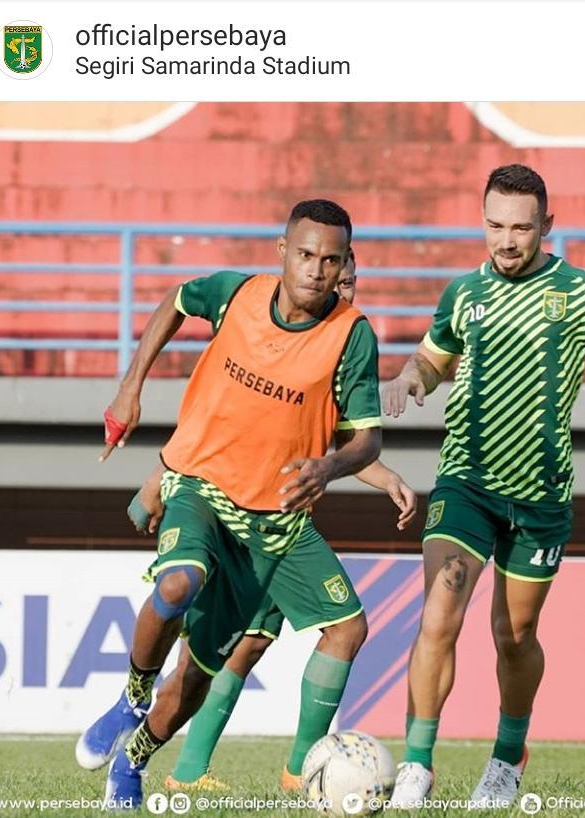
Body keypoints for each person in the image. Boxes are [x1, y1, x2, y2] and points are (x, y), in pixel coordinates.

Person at [75, 200, 384, 811]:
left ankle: (134, 760)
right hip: (202, 488)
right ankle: (133, 696)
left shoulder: (352, 336)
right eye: (305, 255)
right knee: (177, 585)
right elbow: (174, 301)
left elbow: (367, 437)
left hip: (275, 522)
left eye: (330, 260)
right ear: (282, 250)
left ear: (345, 263)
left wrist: (329, 466)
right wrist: (130, 386)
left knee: (200, 672)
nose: (316, 271)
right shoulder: (236, 295)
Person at [382, 165, 585, 808]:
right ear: (483, 223)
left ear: (546, 227)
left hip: (541, 496)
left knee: (514, 636)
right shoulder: (462, 294)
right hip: (466, 483)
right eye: (495, 225)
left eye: (521, 228)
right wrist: (410, 377)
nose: (506, 240)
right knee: (438, 616)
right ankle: (418, 765)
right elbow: (432, 357)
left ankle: (507, 755)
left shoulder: (583, 291)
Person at [127, 252, 418, 793]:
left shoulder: (343, 345)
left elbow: (338, 443)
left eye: (349, 280)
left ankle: (244, 769)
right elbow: (223, 427)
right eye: (339, 279)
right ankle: (179, 759)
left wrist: (384, 478)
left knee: (256, 642)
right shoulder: (264, 320)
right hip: (241, 513)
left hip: (282, 518)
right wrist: (157, 479)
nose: (343, 290)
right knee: (227, 649)